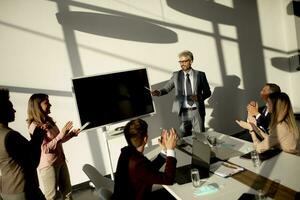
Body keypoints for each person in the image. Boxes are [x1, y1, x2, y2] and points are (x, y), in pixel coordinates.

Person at [27, 93, 81, 200]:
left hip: (60, 160)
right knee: (52, 197)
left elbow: (58, 141)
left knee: (68, 193)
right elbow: (45, 148)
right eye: (47, 103)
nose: (50, 105)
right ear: (38, 106)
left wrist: (70, 135)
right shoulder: (34, 126)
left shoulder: (49, 120)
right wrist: (62, 133)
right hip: (48, 166)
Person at [112, 118, 178, 200]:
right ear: (145, 139)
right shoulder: (137, 163)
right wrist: (170, 149)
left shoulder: (126, 152)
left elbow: (147, 171)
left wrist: (165, 151)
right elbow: (168, 179)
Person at [151, 50, 211, 140]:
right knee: (184, 138)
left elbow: (208, 92)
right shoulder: (176, 75)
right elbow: (166, 88)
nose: (182, 64)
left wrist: (199, 97)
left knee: (200, 138)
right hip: (183, 112)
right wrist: (158, 92)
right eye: (180, 61)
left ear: (191, 61)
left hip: (197, 111)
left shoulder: (200, 75)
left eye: (184, 61)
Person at [0, 88, 45, 200]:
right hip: (25, 191)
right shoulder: (10, 136)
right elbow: (32, 162)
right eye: (10, 108)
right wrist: (37, 139)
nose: (14, 111)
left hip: (7, 191)